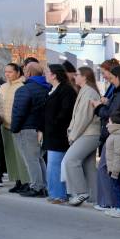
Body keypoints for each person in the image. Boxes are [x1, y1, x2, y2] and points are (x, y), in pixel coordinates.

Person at [94, 65, 120, 218]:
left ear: (119, 78)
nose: (110, 81)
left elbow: (113, 114)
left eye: (112, 78)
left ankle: (113, 203)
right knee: (110, 169)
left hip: (115, 135)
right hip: (115, 134)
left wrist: (99, 107)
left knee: (107, 169)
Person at [62, 67, 102, 206]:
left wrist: (73, 135)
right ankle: (96, 198)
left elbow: (83, 117)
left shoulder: (89, 92)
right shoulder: (85, 91)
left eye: (77, 75)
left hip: (88, 134)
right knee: (88, 166)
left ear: (85, 77)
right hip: (88, 133)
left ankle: (81, 192)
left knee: (70, 160)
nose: (75, 77)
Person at [9, 61, 49, 198]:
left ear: (29, 73)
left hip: (26, 128)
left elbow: (18, 112)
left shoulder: (24, 90)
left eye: (25, 70)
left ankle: (36, 187)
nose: (24, 72)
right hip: (41, 128)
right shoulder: (47, 88)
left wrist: (14, 128)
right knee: (38, 158)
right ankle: (43, 185)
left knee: (31, 159)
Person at [40, 64, 76, 204]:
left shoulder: (66, 90)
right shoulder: (51, 89)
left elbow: (66, 112)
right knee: (52, 164)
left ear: (54, 75)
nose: (45, 75)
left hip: (59, 134)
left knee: (55, 164)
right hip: (51, 133)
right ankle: (54, 192)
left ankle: (60, 195)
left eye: (47, 72)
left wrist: (54, 124)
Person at [0, 63, 27, 192]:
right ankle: (17, 181)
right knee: (11, 156)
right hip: (5, 125)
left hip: (18, 126)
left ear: (17, 73)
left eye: (10, 72)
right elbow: (0, 105)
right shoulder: (3, 87)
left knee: (21, 156)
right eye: (6, 72)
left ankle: (26, 181)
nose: (7, 74)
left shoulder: (22, 86)